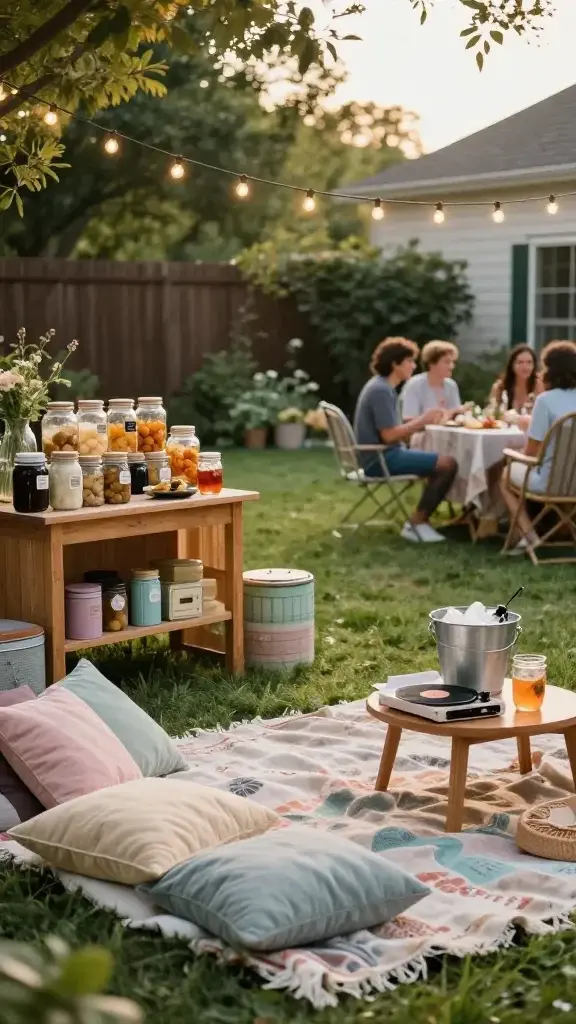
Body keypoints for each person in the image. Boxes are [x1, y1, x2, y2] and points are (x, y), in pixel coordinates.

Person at [354, 337, 458, 543]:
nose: (413, 365)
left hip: (380, 454)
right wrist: (422, 420)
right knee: (447, 465)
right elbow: (389, 435)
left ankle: (421, 521)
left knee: (442, 461)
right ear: (395, 364)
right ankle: (417, 524)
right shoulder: (381, 390)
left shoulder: (381, 387)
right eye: (410, 361)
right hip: (380, 459)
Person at [500, 340, 576, 552]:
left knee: (506, 474)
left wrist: (514, 455)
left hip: (550, 482)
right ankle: (564, 530)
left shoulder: (546, 400)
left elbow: (532, 453)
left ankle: (529, 535)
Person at [401, 340, 463, 421]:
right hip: (419, 433)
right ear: (431, 363)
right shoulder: (414, 384)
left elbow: (456, 415)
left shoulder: (451, 385)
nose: (452, 366)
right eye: (447, 362)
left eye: (453, 362)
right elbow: (408, 419)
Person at [488, 344, 542, 424]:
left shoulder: (539, 384)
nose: (525, 367)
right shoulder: (500, 387)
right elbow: (491, 413)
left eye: (529, 362)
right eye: (520, 362)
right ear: (512, 365)